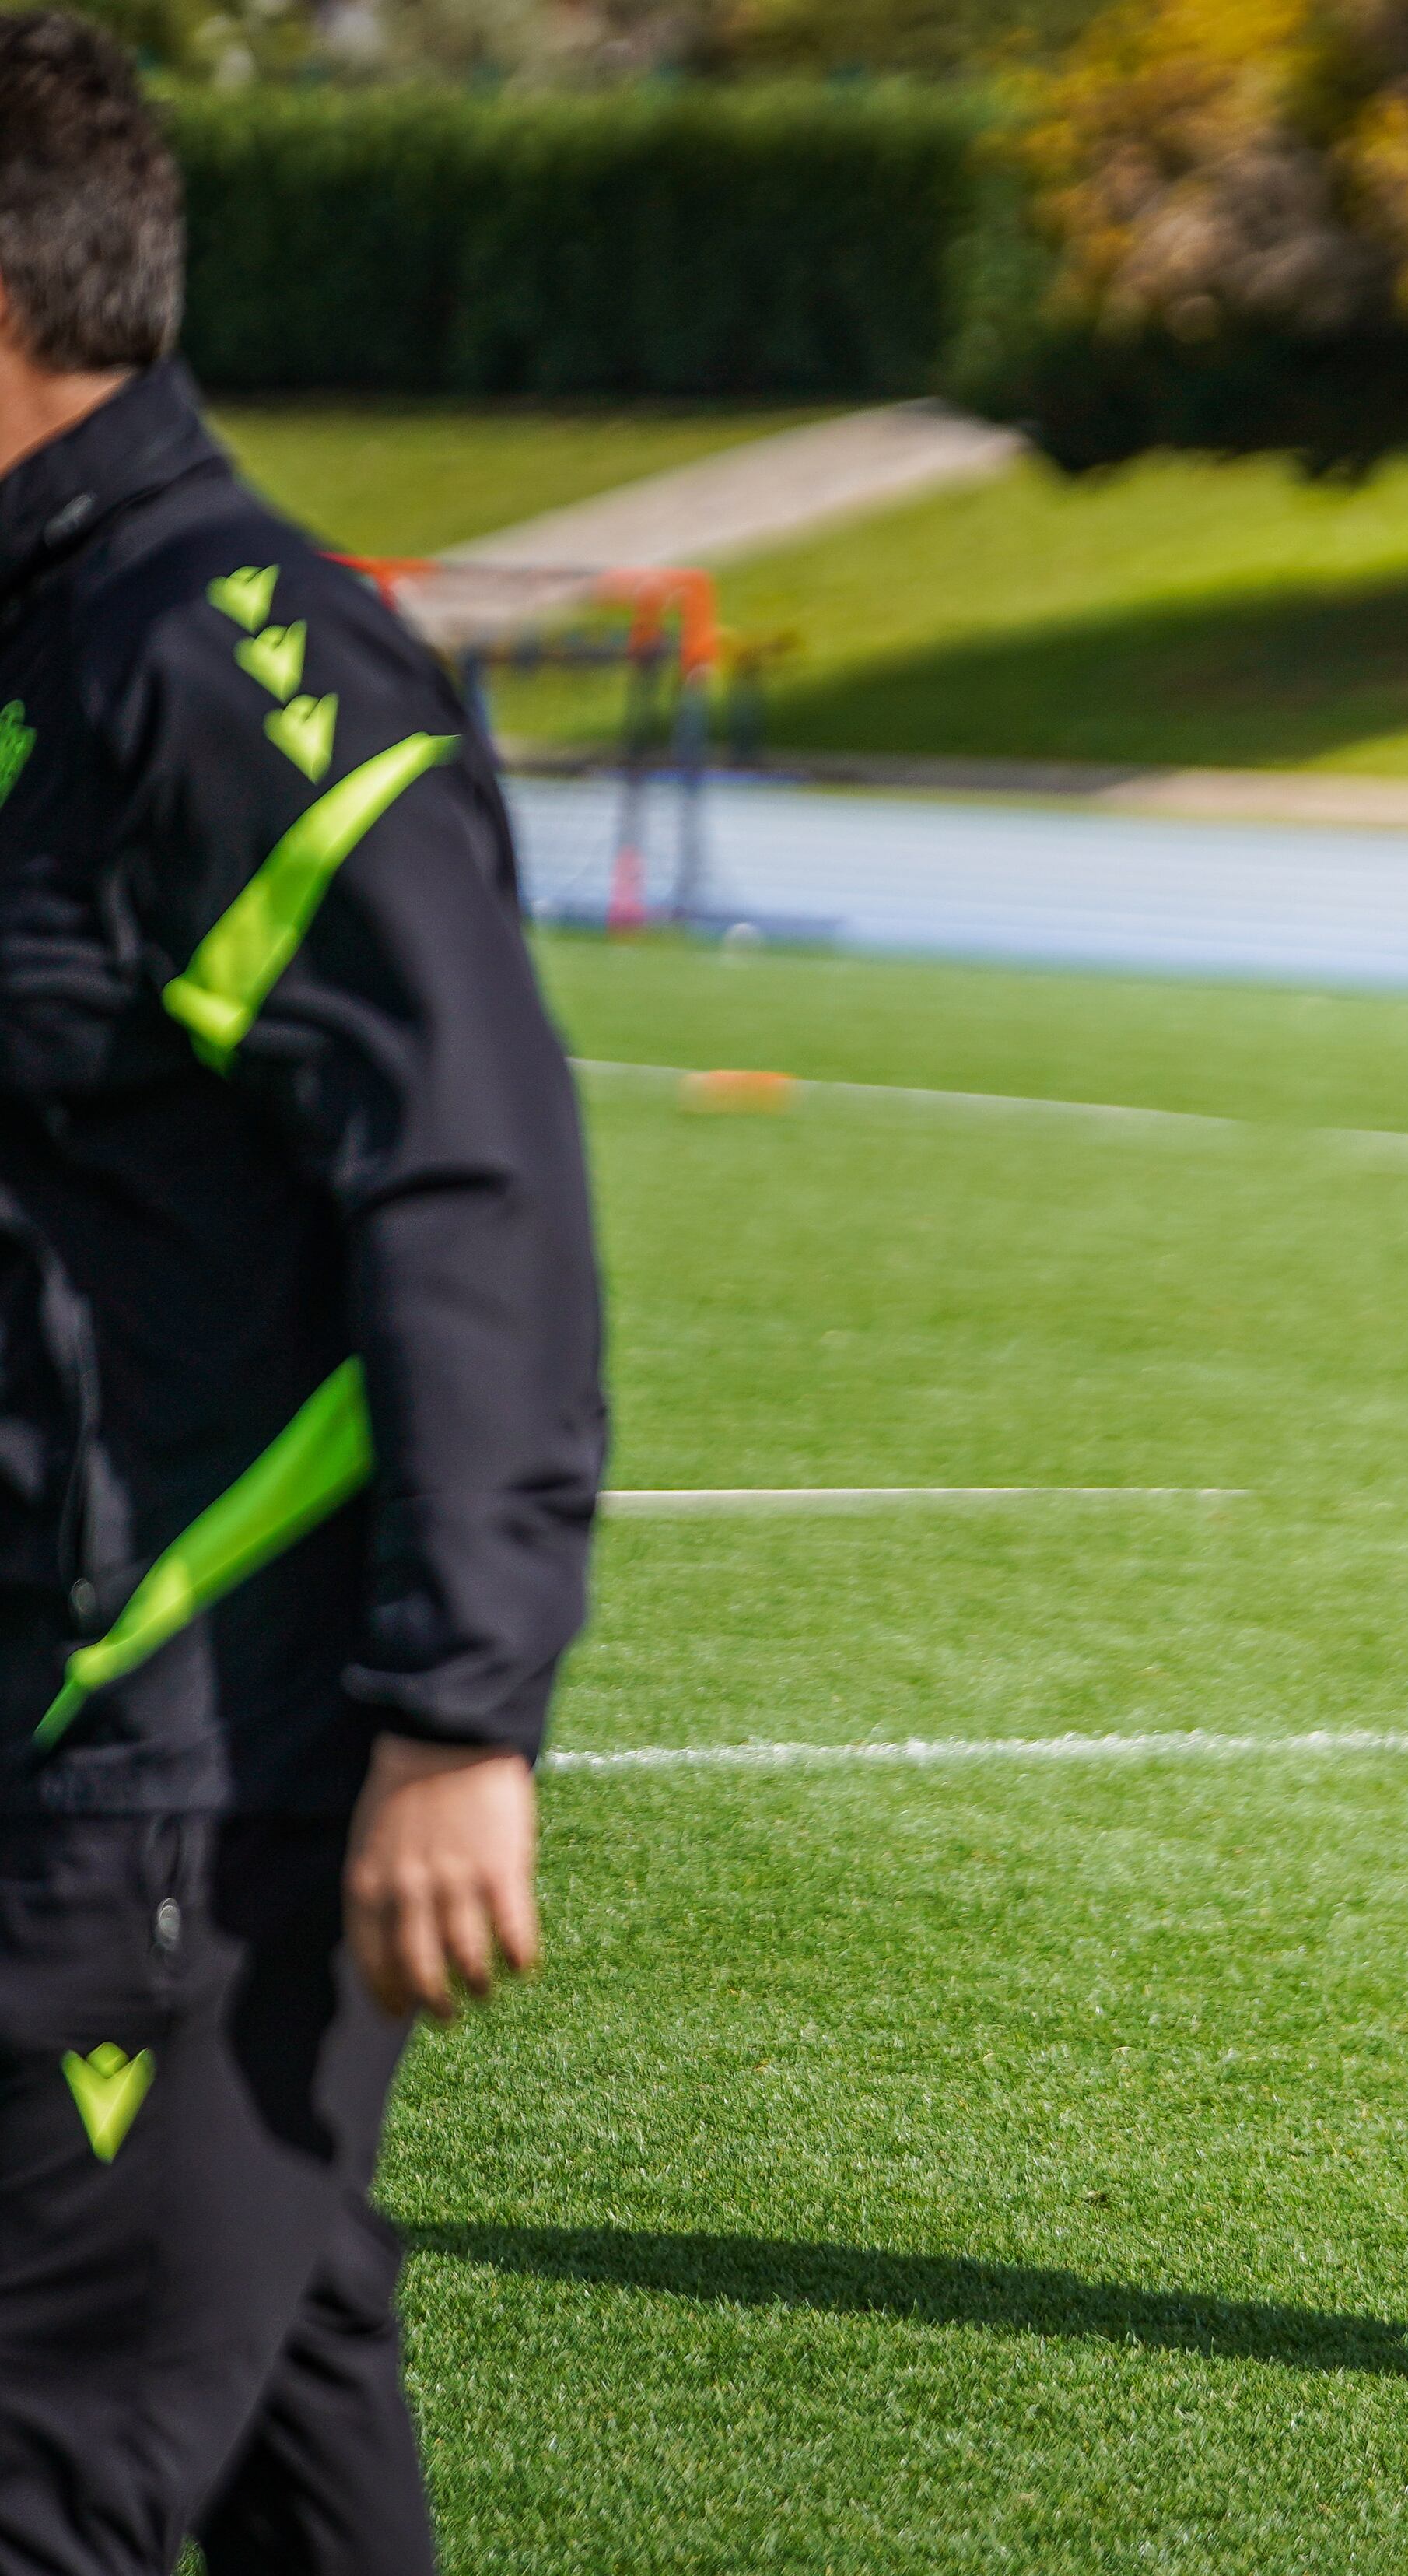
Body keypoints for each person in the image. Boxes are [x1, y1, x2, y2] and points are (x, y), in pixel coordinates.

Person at [0, 17, 606, 2571]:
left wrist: (463, 1709)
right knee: (281, 2444)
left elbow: (471, 1172)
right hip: (73, 1738)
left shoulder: (224, 657)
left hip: (182, 1777)